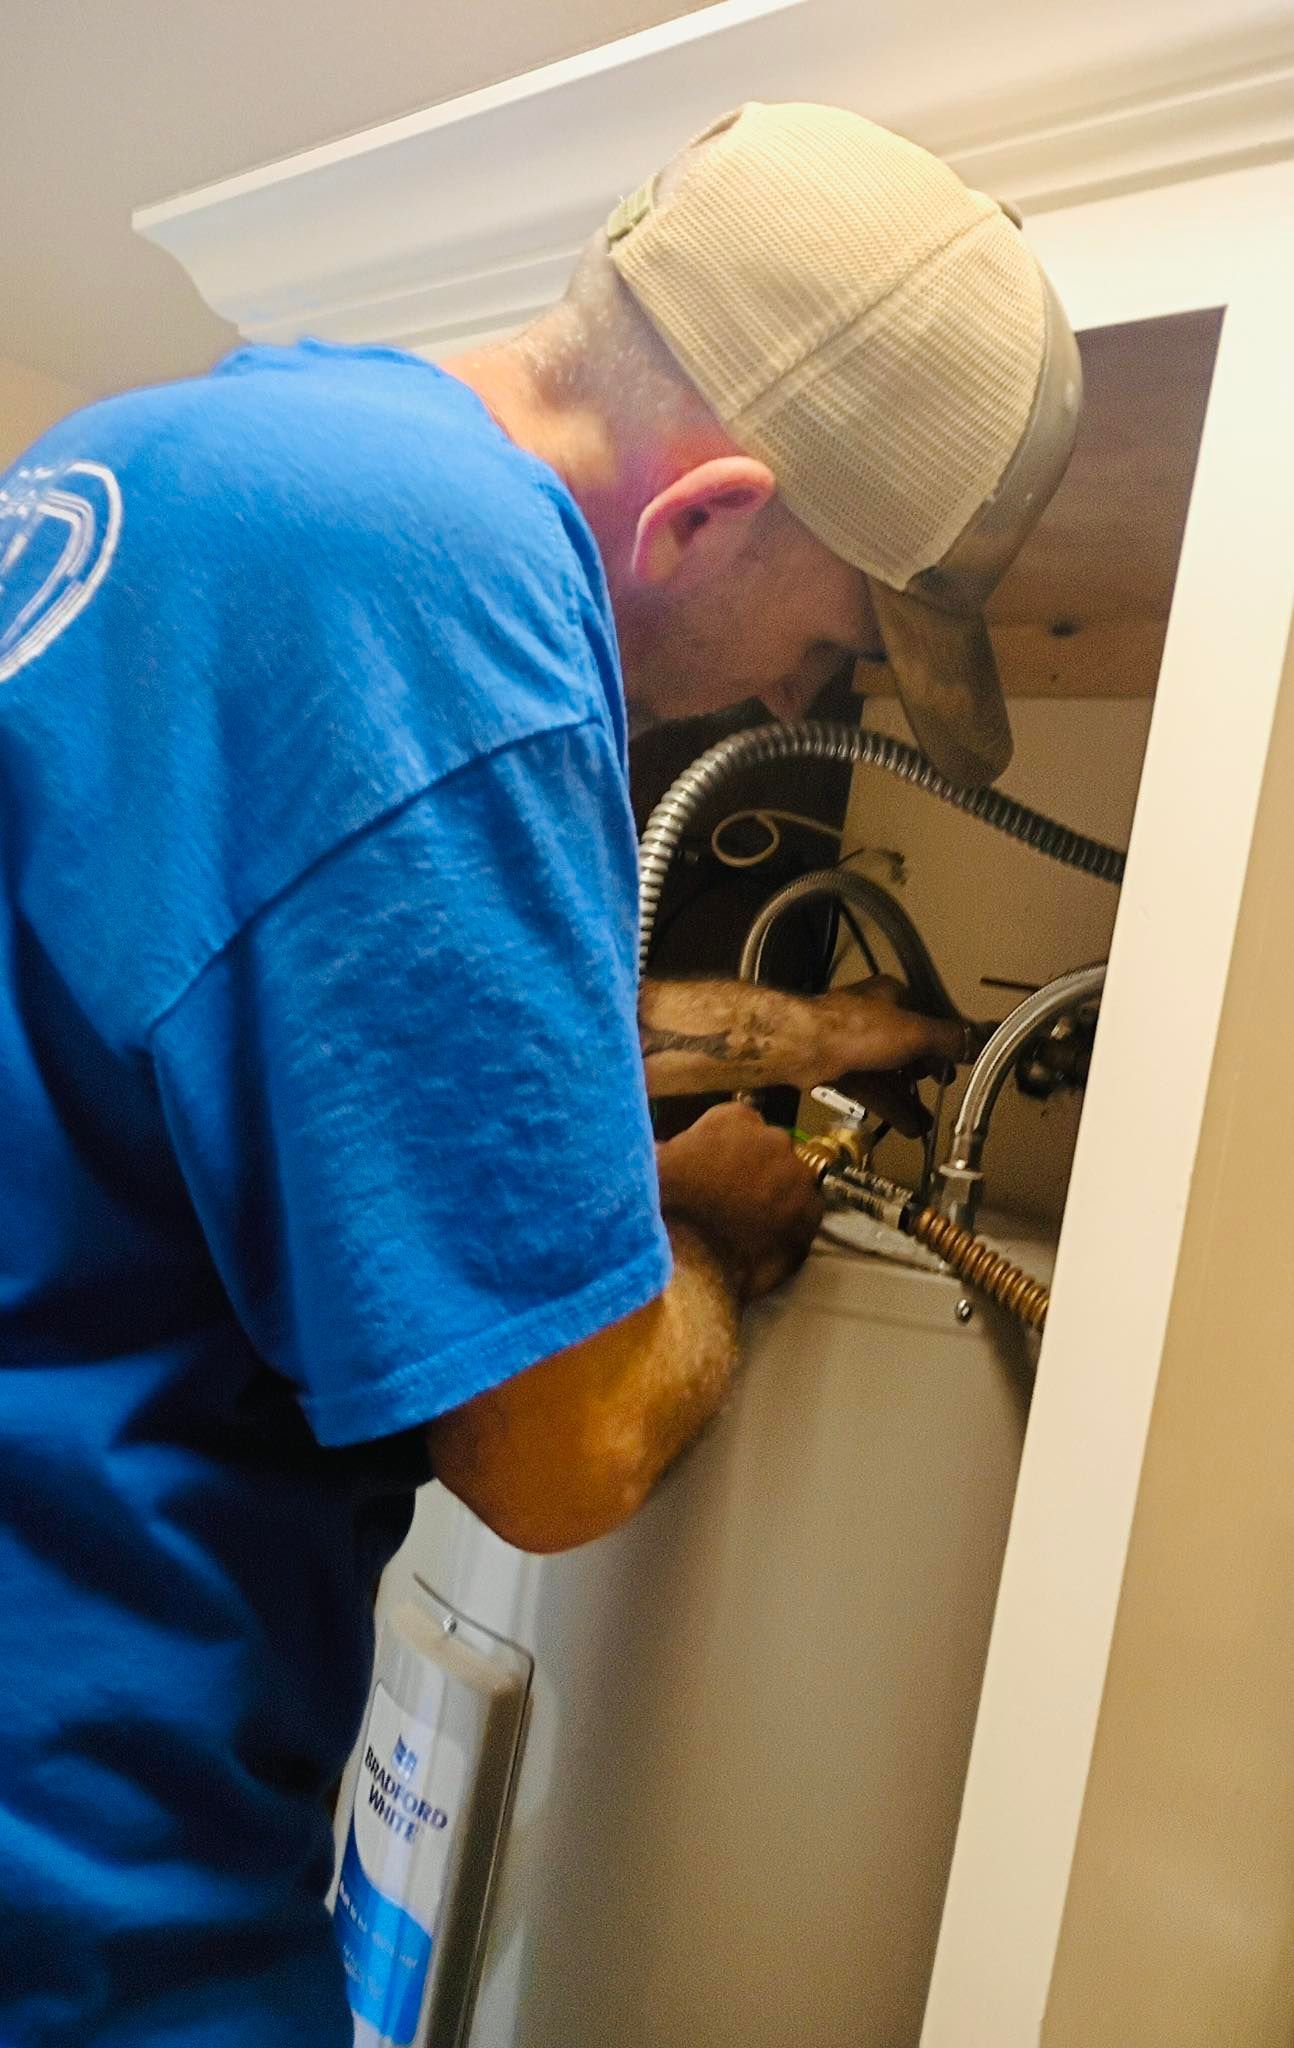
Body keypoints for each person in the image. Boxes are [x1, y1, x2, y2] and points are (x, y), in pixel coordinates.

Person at [0, 101, 1079, 2046]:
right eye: (825, 651)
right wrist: (726, 1241)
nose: (791, 706)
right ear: (703, 514)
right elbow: (557, 1452)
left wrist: (806, 1050)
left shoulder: (181, 453)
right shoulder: (455, 606)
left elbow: (256, 1054)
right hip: (73, 1887)